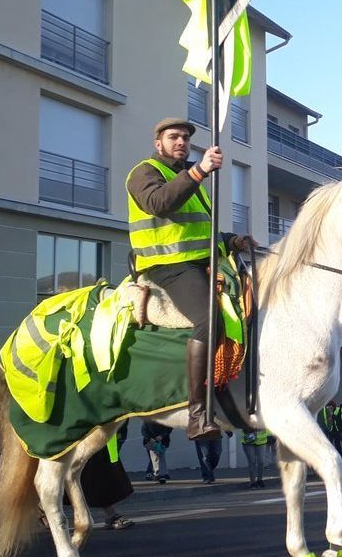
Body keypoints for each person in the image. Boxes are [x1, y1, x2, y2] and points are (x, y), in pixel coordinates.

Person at [125, 118, 255, 439]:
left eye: (184, 137)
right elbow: (158, 203)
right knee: (208, 320)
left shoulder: (188, 180)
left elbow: (200, 234)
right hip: (165, 266)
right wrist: (199, 172)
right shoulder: (145, 172)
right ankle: (198, 414)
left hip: (195, 264)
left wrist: (231, 241)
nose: (181, 141)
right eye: (173, 137)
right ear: (159, 143)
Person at [140, 420, 171, 484]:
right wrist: (159, 437)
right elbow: (144, 431)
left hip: (156, 441)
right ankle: (161, 474)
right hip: (155, 441)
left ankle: (158, 474)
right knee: (158, 457)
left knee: (156, 457)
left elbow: (144, 430)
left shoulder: (148, 420)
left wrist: (155, 437)